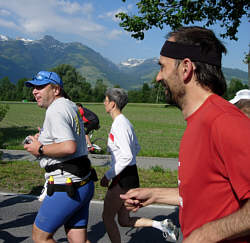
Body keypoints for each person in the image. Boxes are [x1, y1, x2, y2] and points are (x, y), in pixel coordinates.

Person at [121, 26, 250, 243]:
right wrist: (155, 194)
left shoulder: (225, 122)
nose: (158, 77)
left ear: (186, 68)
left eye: (162, 67)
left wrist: (204, 235)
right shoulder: (198, 121)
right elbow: (208, 195)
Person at [24, 71, 95, 243]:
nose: (34, 91)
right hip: (83, 182)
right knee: (77, 239)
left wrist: (39, 148)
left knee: (40, 237)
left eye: (40, 87)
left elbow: (68, 146)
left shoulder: (55, 110)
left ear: (56, 90)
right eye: (34, 87)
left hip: (65, 186)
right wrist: (44, 138)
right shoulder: (69, 105)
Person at [100, 88, 178, 243]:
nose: (104, 103)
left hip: (120, 178)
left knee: (107, 218)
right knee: (123, 220)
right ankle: (161, 225)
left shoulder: (118, 125)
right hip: (131, 175)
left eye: (106, 100)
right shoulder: (126, 122)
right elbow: (136, 147)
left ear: (113, 104)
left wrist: (108, 175)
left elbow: (127, 155)